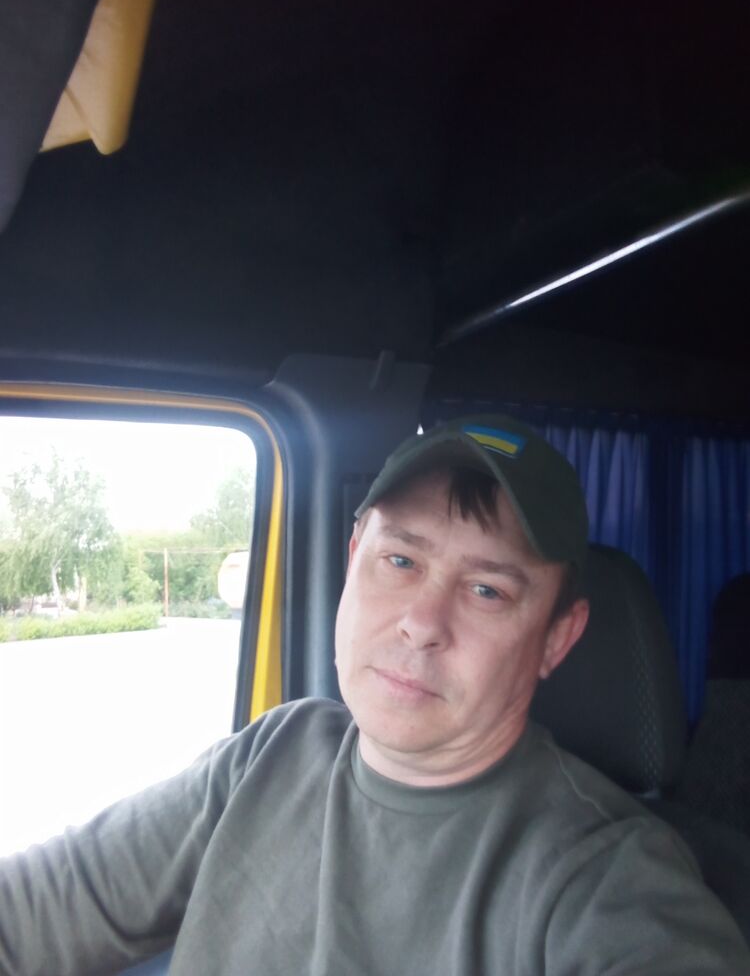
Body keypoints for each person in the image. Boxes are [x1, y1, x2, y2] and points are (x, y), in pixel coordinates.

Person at [1, 415, 748, 975]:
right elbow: (44, 905)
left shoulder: (608, 879)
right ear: (355, 554)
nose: (421, 623)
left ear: (556, 638)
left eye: (487, 590)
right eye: (400, 560)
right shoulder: (271, 755)